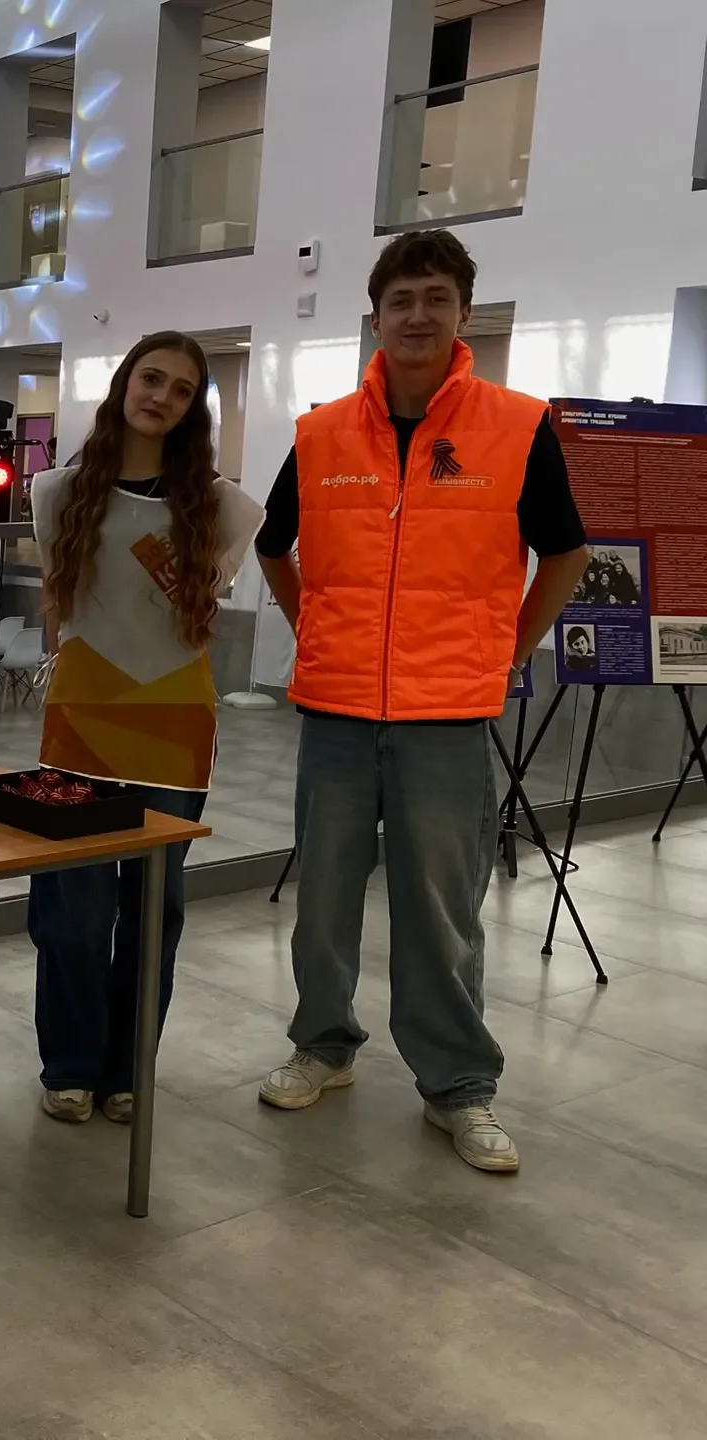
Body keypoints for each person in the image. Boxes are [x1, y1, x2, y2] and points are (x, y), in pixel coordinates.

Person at [254, 231, 589, 1173]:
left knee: (442, 910)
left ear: (463, 313)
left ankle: (458, 1085)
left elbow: (566, 554)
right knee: (324, 898)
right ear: (376, 316)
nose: (417, 316)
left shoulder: (517, 426)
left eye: (436, 298)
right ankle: (324, 1045)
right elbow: (272, 546)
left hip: (447, 715)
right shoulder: (321, 433)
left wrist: (505, 651)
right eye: (400, 300)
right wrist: (317, 625)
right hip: (338, 709)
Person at [26, 331, 265, 1125]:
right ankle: (70, 1065)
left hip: (174, 723)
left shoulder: (222, 507)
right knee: (73, 908)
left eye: (181, 389)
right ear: (125, 382)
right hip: (81, 719)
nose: (161, 396)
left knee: (153, 910)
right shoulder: (59, 491)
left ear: (194, 408)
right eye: (151, 378)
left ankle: (128, 1071)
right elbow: (61, 612)